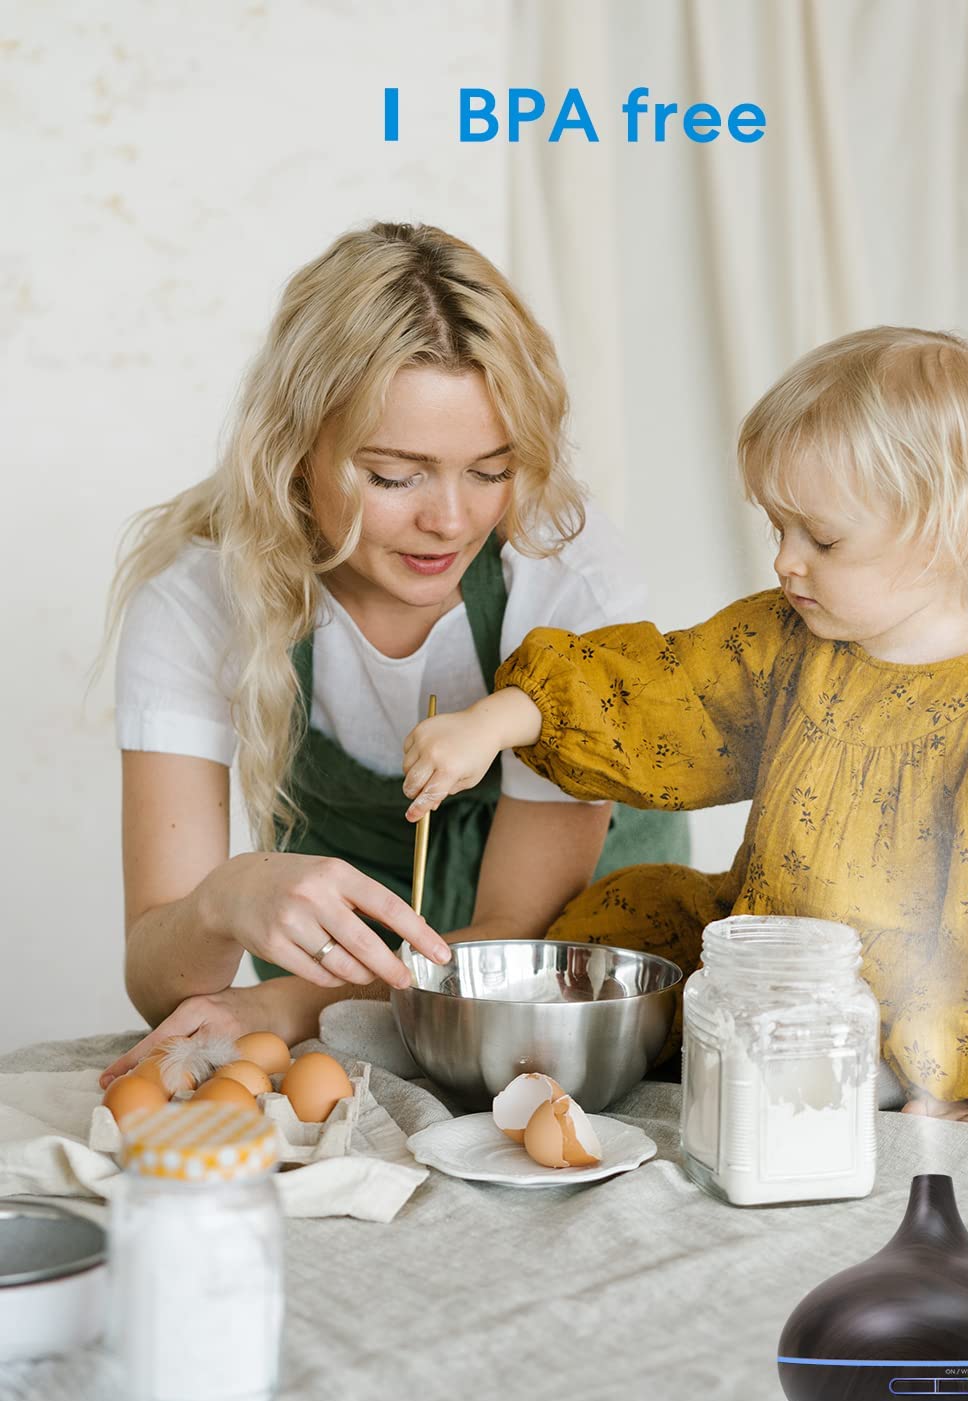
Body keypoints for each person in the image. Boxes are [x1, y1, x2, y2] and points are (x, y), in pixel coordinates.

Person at [401, 326, 968, 1132]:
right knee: (619, 918)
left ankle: (861, 1070)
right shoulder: (789, 640)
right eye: (778, 529)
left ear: (948, 533)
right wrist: (499, 719)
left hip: (886, 1000)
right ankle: (603, 1039)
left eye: (821, 538)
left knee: (886, 1030)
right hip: (761, 942)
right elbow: (670, 690)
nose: (785, 561)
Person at [99, 221, 687, 1086]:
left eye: (490, 470)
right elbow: (161, 978)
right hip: (359, 979)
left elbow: (515, 938)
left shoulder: (566, 574)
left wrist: (290, 1005)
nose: (449, 521)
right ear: (296, 450)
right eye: (394, 475)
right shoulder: (201, 598)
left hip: (568, 958)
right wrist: (225, 900)